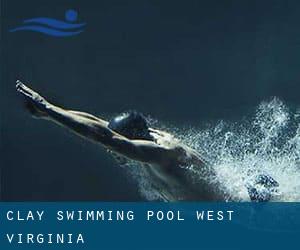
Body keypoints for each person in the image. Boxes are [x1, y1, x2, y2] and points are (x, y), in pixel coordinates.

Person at [15, 80, 278, 201]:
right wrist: (51, 113)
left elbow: (105, 137)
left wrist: (48, 109)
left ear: (132, 140)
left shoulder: (162, 154)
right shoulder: (146, 138)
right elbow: (99, 125)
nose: (110, 151)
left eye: (115, 146)